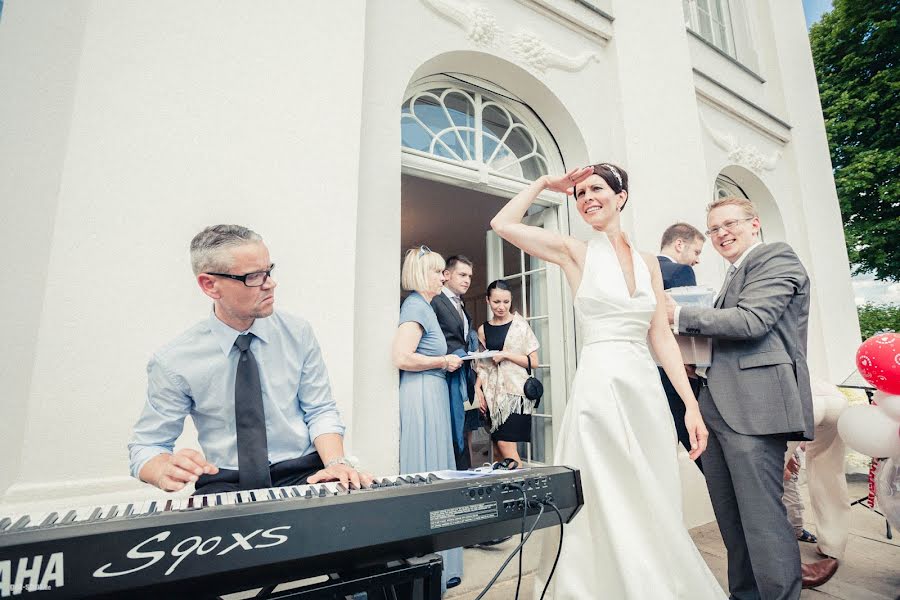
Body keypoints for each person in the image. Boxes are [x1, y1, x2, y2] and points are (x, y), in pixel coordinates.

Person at [491, 163, 723, 599]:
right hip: (599, 385)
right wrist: (545, 184)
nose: (586, 198)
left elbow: (661, 337)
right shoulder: (575, 251)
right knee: (603, 491)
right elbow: (502, 224)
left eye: (596, 188)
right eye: (578, 193)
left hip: (644, 390)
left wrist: (690, 406)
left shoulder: (650, 263)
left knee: (649, 488)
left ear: (622, 196)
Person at [666, 196, 838, 596]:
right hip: (716, 406)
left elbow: (752, 321)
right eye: (714, 229)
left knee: (761, 517)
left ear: (755, 223)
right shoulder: (732, 273)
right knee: (731, 517)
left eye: (730, 224)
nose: (722, 233)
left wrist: (677, 316)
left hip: (755, 407)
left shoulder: (777, 258)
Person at [129, 225, 372, 497]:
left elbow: (320, 409)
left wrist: (336, 463)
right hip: (226, 481)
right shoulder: (173, 361)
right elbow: (146, 446)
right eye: (253, 276)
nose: (270, 283)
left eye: (269, 270)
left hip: (305, 472)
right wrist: (162, 468)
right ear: (210, 285)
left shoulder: (298, 333)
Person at [391, 245, 463, 593]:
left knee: (438, 468)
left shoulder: (425, 307)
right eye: (438, 272)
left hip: (430, 393)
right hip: (421, 394)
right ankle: (423, 569)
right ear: (423, 275)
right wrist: (442, 362)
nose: (443, 276)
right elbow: (402, 356)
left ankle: (439, 568)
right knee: (427, 470)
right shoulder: (416, 306)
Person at [474, 280, 540, 467]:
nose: (501, 307)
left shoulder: (520, 326)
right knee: (497, 452)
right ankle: (506, 493)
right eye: (496, 302)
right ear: (488, 301)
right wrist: (477, 389)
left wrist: (506, 355)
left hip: (516, 395)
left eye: (506, 302)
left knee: (506, 447)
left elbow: (533, 362)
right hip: (494, 395)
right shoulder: (483, 330)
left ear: (511, 301)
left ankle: (523, 491)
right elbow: (484, 366)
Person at [657, 223, 707, 471]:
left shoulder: (639, 268)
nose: (696, 260)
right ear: (679, 244)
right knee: (703, 450)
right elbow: (682, 325)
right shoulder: (679, 272)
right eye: (696, 252)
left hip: (645, 369)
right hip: (675, 370)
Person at [431, 254, 479, 470]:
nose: (467, 280)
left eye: (469, 275)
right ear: (447, 274)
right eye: (462, 274)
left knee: (464, 431)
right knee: (448, 432)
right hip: (443, 377)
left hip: (462, 376)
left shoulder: (461, 304)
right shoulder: (435, 301)